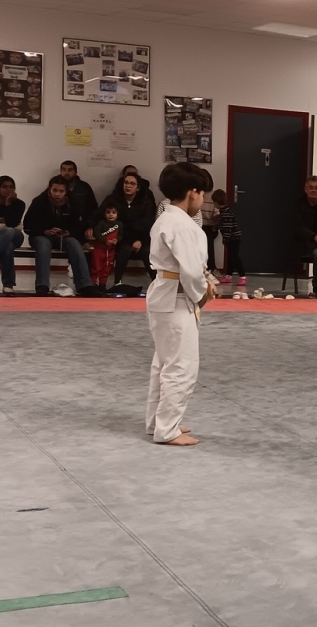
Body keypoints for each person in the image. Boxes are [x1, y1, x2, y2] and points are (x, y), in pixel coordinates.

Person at [145, 162, 214, 447]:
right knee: (181, 366)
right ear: (192, 192)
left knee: (163, 362)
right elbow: (191, 271)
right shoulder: (184, 225)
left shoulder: (165, 219)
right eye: (202, 194)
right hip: (176, 296)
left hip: (164, 292)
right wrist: (203, 293)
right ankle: (167, 429)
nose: (202, 200)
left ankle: (158, 422)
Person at [22, 175, 90, 294]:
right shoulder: (39, 201)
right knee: (43, 245)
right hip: (40, 236)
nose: (57, 194)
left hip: (63, 237)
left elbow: (78, 225)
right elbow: (28, 225)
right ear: (49, 189)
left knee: (75, 244)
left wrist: (69, 232)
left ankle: (85, 284)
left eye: (61, 191)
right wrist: (45, 231)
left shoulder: (72, 203)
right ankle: (42, 285)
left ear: (66, 192)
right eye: (55, 190)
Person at [98, 172, 155, 284]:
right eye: (126, 183)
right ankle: (117, 282)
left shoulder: (146, 202)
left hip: (141, 238)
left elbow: (149, 224)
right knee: (125, 249)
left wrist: (140, 241)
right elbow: (99, 215)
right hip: (120, 237)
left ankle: (156, 283)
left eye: (132, 184)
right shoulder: (112, 199)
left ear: (138, 188)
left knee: (147, 251)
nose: (128, 186)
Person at [217, 188, 245, 286]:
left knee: (234, 257)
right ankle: (228, 276)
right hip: (232, 238)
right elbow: (222, 224)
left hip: (233, 238)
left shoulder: (226, 213)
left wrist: (225, 239)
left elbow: (228, 227)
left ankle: (242, 276)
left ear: (217, 202)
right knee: (230, 257)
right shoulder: (224, 211)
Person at [59, 160, 98, 225]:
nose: (66, 173)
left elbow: (92, 208)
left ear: (75, 172)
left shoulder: (84, 187)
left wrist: (90, 226)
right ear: (60, 172)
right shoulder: (55, 187)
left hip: (81, 223)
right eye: (64, 170)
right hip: (60, 223)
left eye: (70, 170)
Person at [91, 204, 121, 287]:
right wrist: (105, 241)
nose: (111, 214)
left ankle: (102, 284)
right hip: (99, 249)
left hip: (111, 250)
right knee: (96, 266)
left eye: (113, 212)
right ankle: (94, 284)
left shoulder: (119, 224)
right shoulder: (101, 223)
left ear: (118, 214)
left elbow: (120, 235)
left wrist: (117, 240)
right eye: (108, 212)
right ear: (104, 214)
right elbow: (97, 233)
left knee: (107, 268)